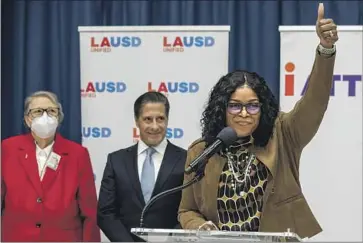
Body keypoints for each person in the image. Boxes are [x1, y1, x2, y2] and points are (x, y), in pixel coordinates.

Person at [178, 3, 338, 240]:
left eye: (252, 105)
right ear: (221, 109)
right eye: (235, 105)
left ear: (263, 108)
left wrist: (326, 50)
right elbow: (187, 210)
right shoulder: (202, 151)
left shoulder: (283, 135)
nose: (244, 113)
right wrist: (199, 227)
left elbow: (315, 102)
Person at [1, 91, 100, 242]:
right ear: (28, 119)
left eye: (51, 111)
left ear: (59, 118)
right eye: (38, 111)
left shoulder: (78, 154)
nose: (45, 117)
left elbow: (89, 210)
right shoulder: (8, 148)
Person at [97, 91, 187, 242]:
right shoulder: (116, 160)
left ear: (167, 120)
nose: (155, 126)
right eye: (147, 119)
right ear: (137, 121)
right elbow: (106, 212)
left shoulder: (185, 159)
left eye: (160, 119)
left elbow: (190, 210)